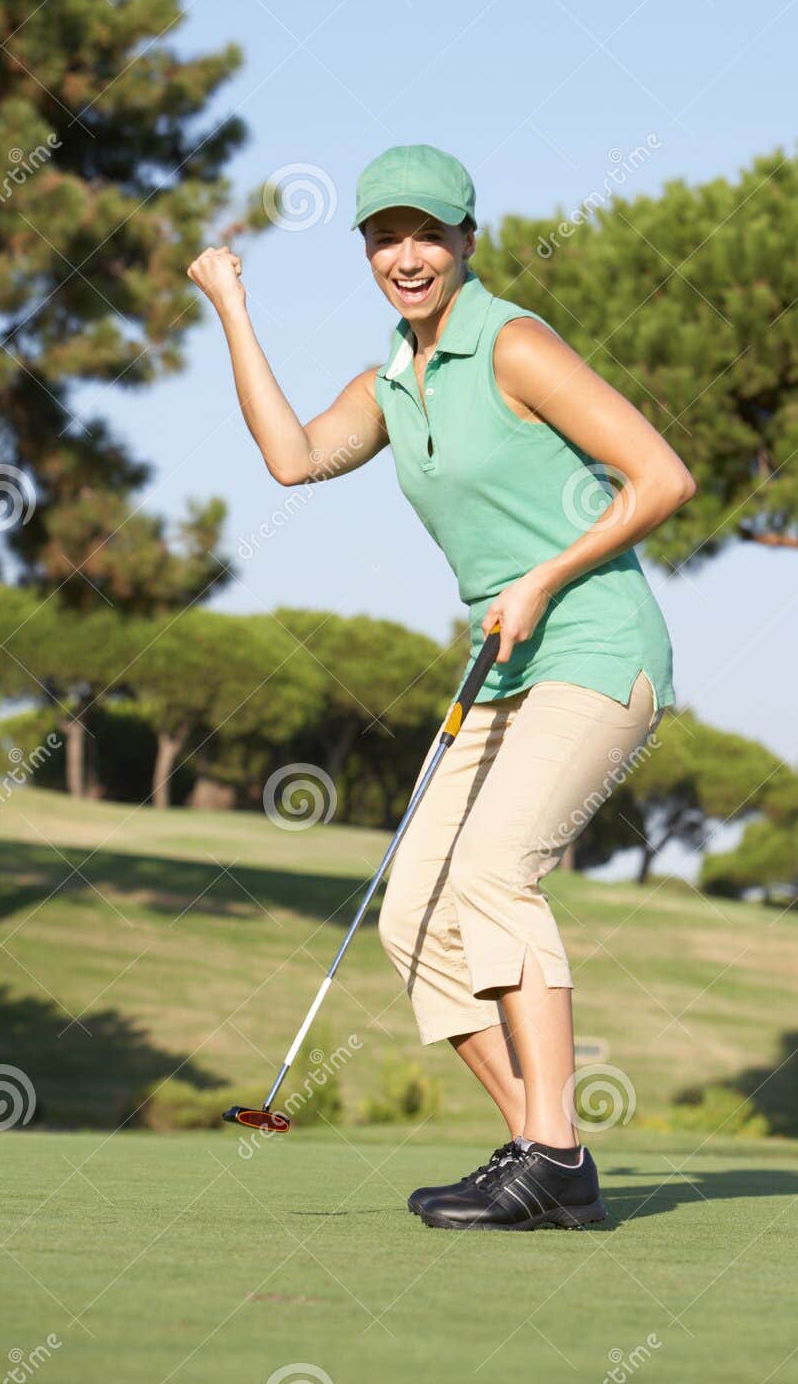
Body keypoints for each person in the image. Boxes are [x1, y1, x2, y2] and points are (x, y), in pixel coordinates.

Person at [186, 143, 695, 1231]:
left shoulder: (512, 344)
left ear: (467, 239)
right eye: (383, 235)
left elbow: (662, 476)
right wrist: (230, 305)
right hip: (503, 669)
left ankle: (550, 1152)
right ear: (366, 250)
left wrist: (545, 576)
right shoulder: (391, 382)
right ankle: (543, 1149)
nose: (405, 255)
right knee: (414, 911)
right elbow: (292, 459)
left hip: (595, 646)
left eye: (426, 233)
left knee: (492, 874)